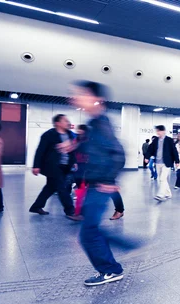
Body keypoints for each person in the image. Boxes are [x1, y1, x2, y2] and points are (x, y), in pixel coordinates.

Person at [72, 81, 126, 287]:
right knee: (91, 229)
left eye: (81, 94)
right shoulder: (94, 123)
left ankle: (111, 270)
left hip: (99, 185)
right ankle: (126, 248)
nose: (76, 98)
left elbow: (118, 152)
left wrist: (108, 179)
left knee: (87, 234)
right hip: (93, 183)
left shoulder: (101, 123)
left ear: (96, 99)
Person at [29, 114, 78, 219]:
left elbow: (72, 150)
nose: (67, 122)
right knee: (62, 188)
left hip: (65, 166)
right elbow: (40, 151)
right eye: (65, 120)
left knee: (50, 187)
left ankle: (36, 206)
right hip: (52, 166)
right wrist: (36, 166)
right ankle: (71, 211)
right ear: (57, 123)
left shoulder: (70, 134)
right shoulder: (49, 135)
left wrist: (74, 161)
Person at [147, 125, 179, 201]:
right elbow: (150, 149)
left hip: (166, 163)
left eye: (159, 131)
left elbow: (174, 151)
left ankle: (161, 195)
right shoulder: (155, 140)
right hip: (157, 162)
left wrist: (177, 161)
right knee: (162, 179)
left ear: (163, 131)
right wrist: (147, 157)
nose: (158, 132)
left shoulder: (169, 140)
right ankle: (168, 193)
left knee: (162, 179)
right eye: (157, 131)